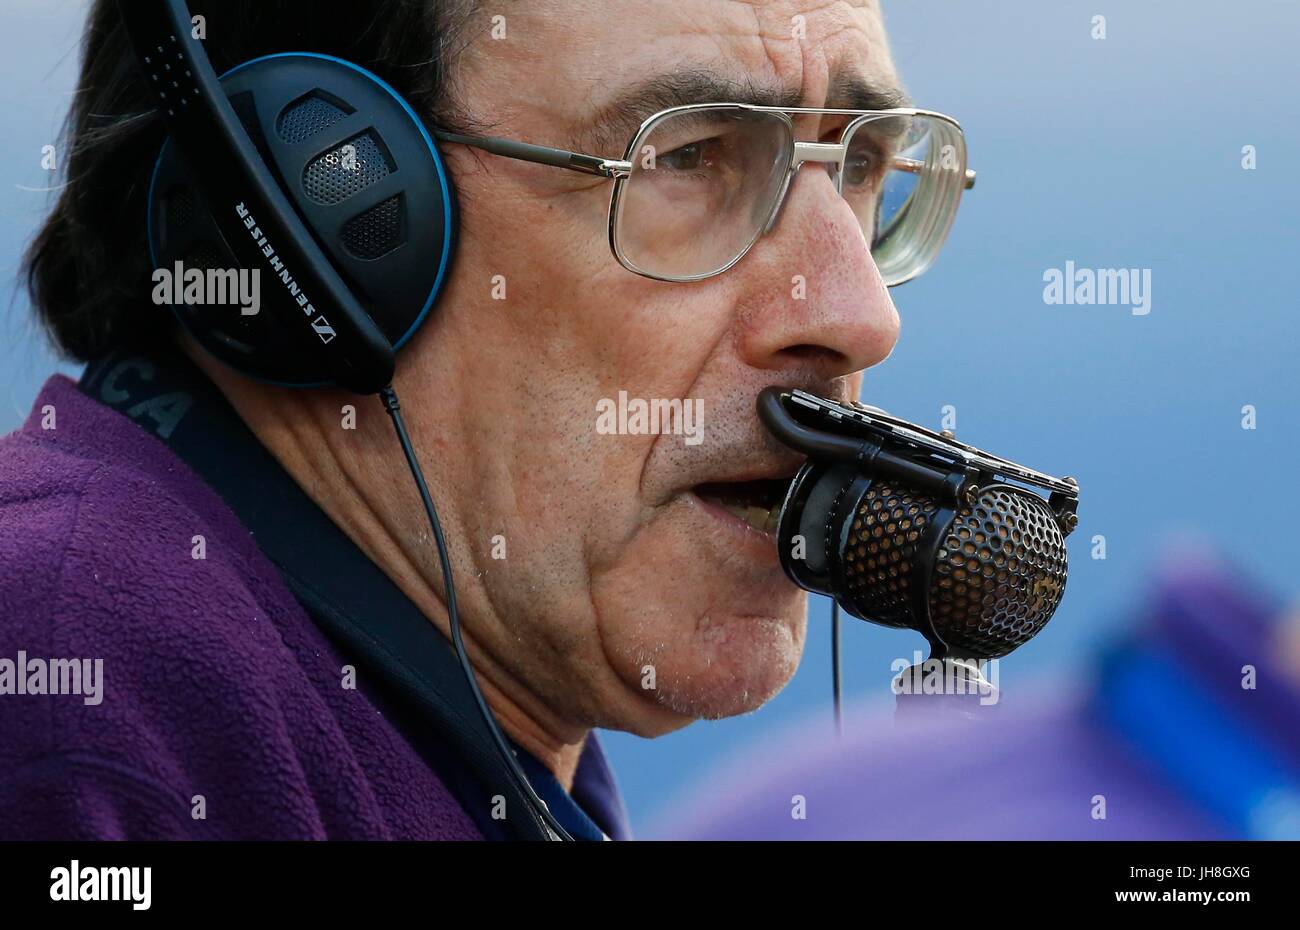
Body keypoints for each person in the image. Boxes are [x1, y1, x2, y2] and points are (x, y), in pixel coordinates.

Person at [0, 0, 971, 839]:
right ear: (313, 220)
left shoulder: (474, 726)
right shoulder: (79, 704)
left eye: (862, 162)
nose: (858, 317)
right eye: (686, 156)